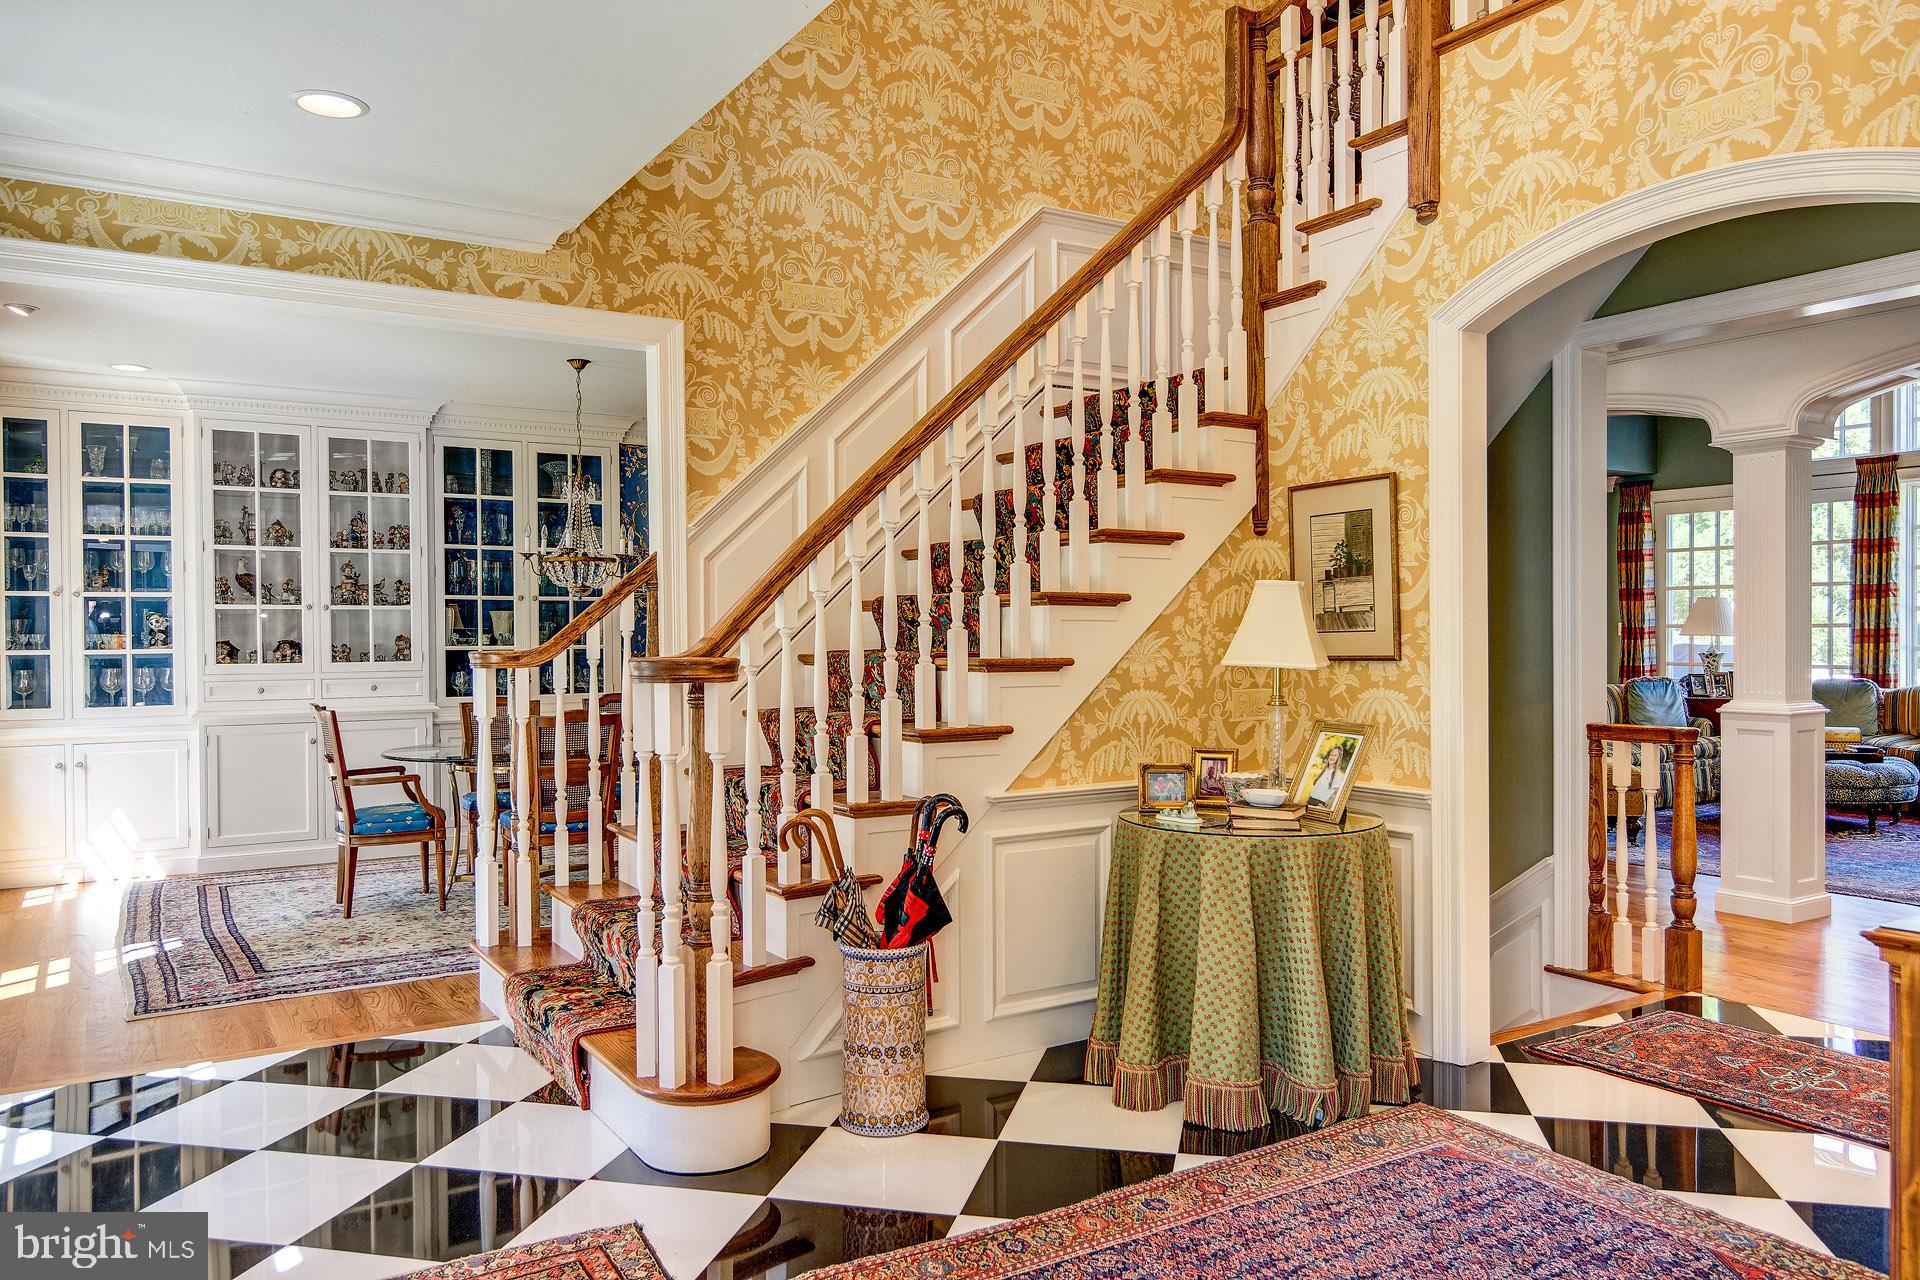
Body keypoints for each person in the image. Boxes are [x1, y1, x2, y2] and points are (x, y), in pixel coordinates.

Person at [1307, 738, 1353, 807]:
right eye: (1331, 755)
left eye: (1335, 755)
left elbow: (1336, 796)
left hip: (1319, 805)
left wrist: (1326, 807)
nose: (1332, 757)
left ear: (1339, 758)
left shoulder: (1337, 775)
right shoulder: (1324, 771)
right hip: (1310, 801)